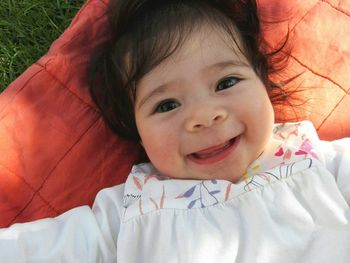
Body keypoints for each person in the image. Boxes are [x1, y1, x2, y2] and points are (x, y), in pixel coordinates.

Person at [1, 0, 350, 262]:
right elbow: (41, 248)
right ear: (136, 131)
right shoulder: (132, 206)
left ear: (262, 80)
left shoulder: (314, 158)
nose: (204, 116)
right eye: (166, 105)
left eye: (226, 82)